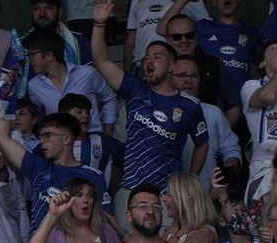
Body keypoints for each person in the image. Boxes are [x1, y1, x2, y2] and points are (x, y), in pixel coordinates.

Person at [89, 0, 208, 192]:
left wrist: (190, 180)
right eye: (146, 58)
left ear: (171, 66)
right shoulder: (135, 89)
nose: (149, 61)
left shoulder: (189, 105)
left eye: (157, 57)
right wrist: (99, 24)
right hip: (132, 190)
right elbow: (101, 61)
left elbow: (202, 144)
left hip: (168, 194)